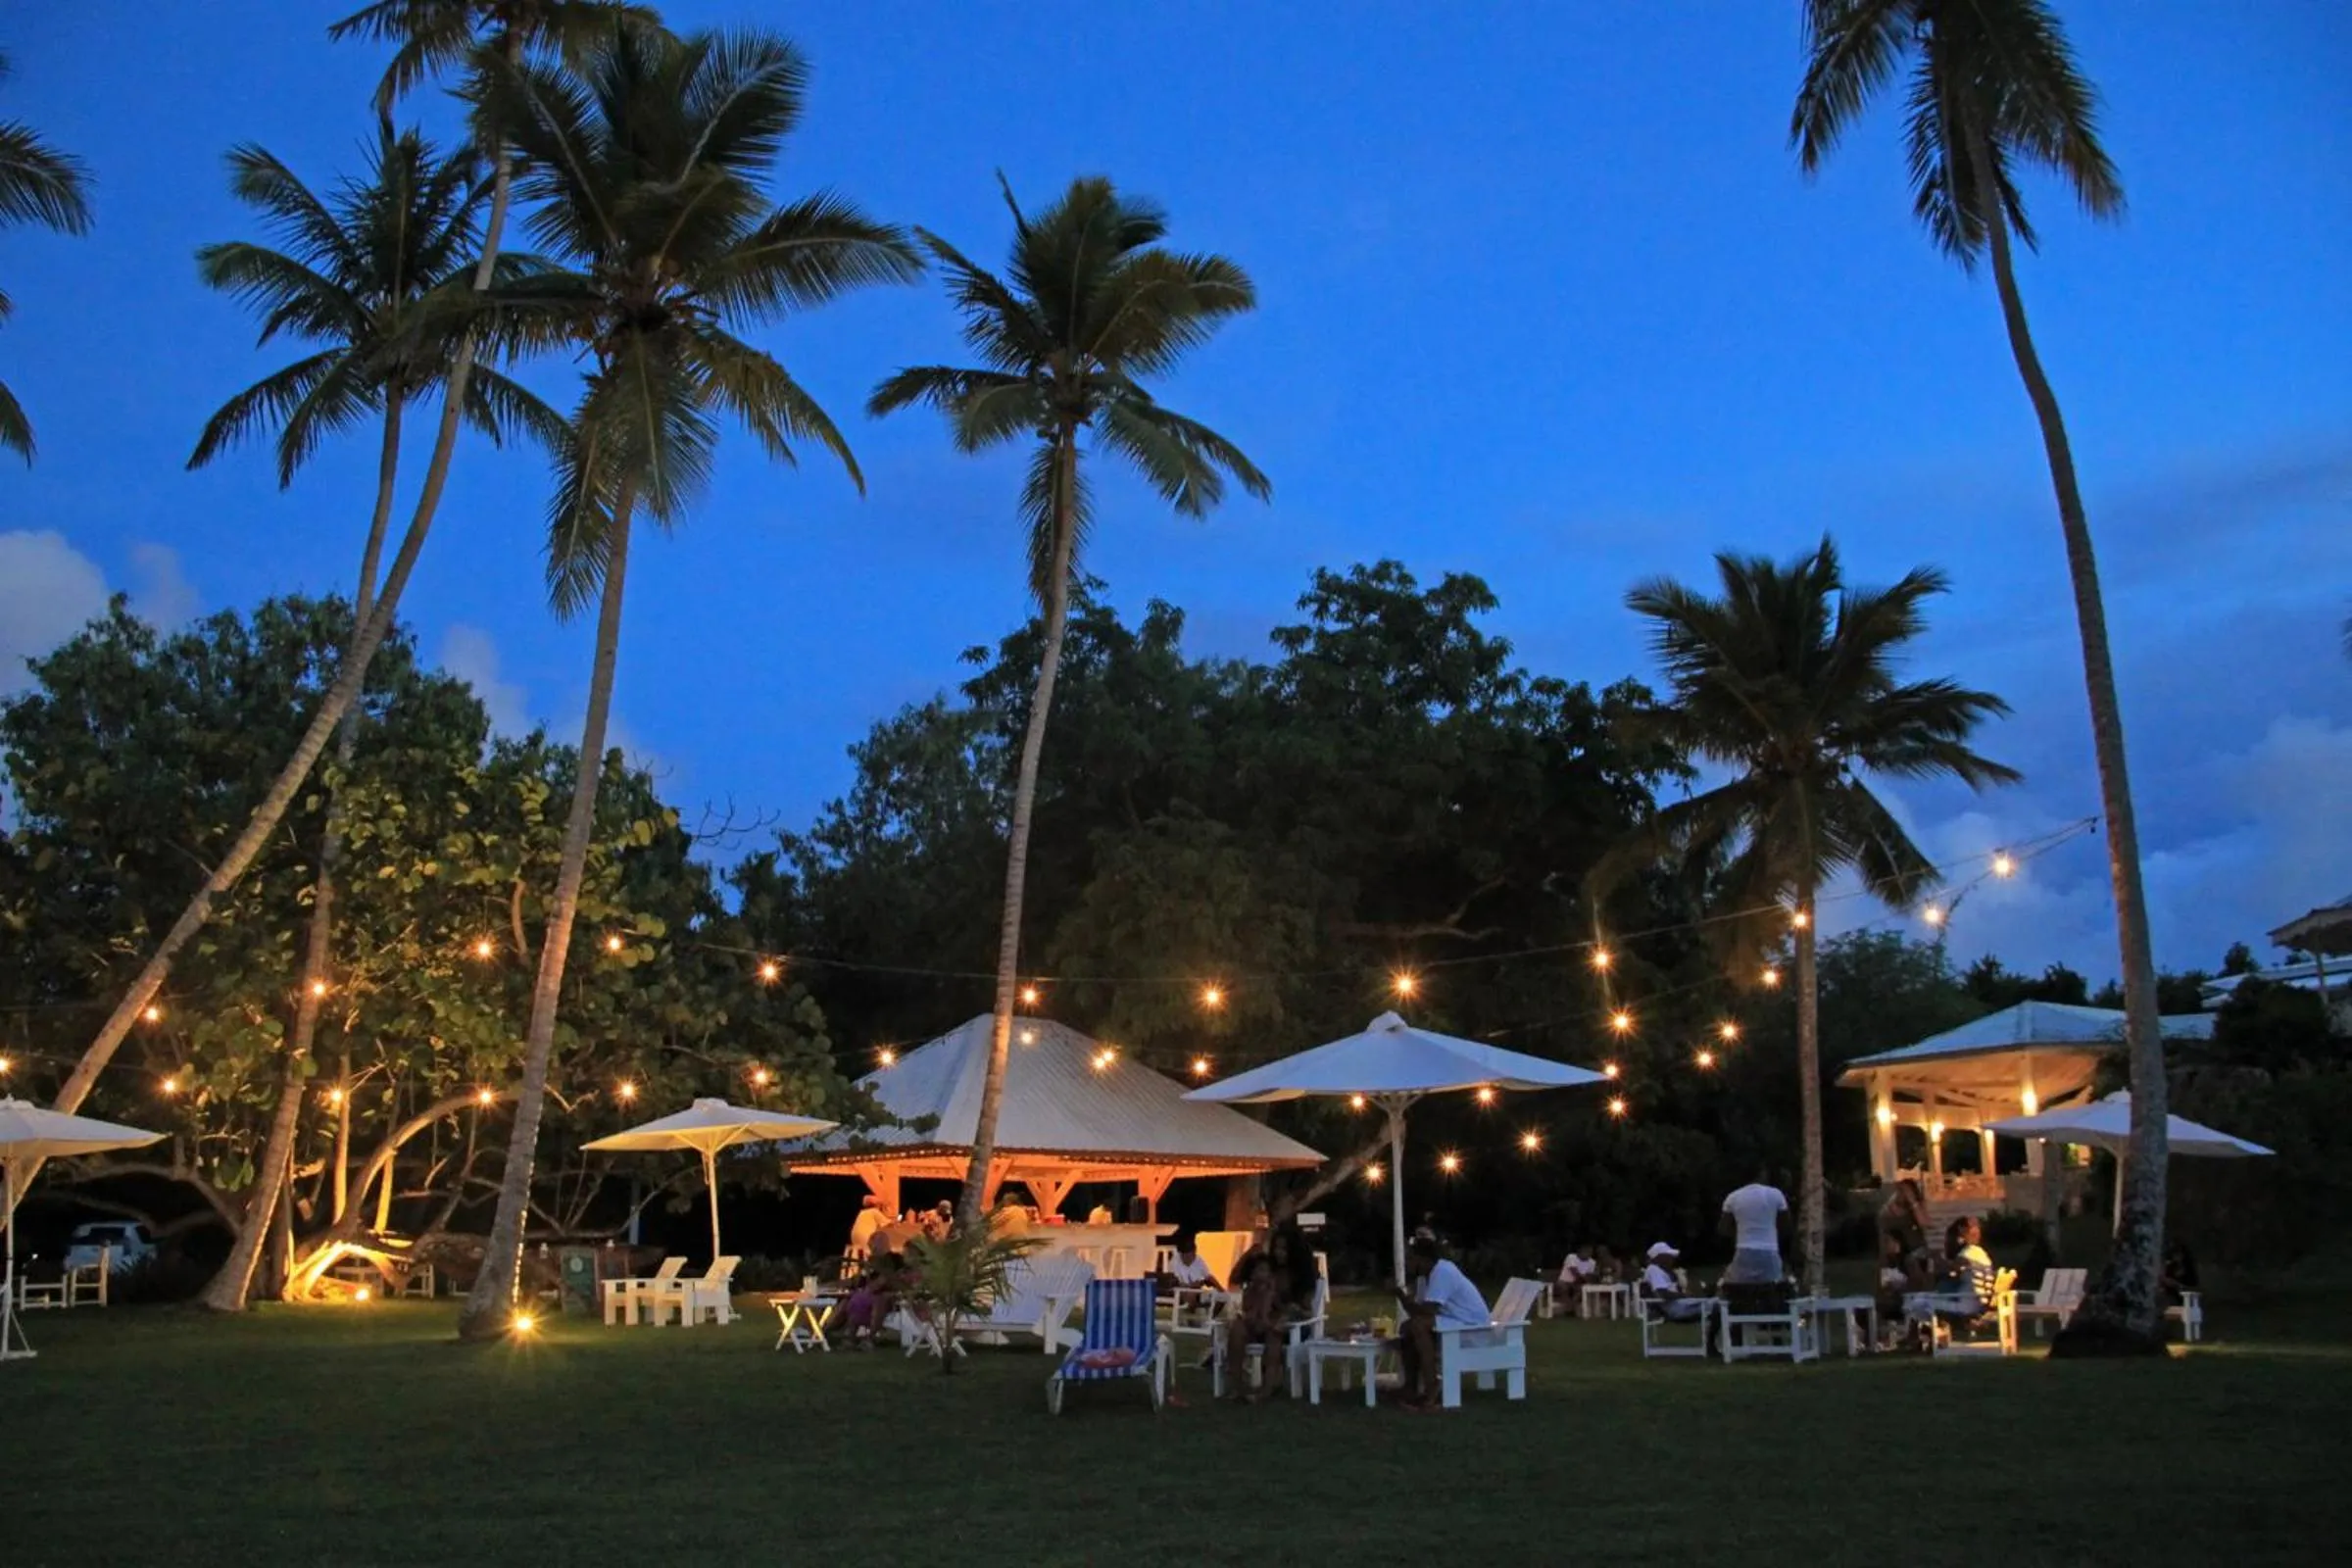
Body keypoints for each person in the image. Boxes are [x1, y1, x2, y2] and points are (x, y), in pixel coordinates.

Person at [1394, 1235, 1490, 1409]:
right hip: (1453, 1323)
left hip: (1472, 1328)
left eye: (1410, 1259)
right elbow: (1419, 1312)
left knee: (1417, 1326)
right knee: (1409, 1328)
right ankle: (1411, 1387)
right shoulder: (1425, 1277)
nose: (1407, 1264)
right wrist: (1405, 1300)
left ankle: (1432, 1387)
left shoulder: (1443, 1271)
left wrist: (1403, 1298)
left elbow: (1428, 1311)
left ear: (1423, 1259)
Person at [1719, 1166, 1790, 1284]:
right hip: (1770, 1250)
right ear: (1761, 1174)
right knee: (1772, 1286)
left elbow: (1723, 1229)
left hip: (1744, 1249)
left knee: (1738, 1287)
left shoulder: (1733, 1197)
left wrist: (1740, 1233)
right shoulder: (1775, 1194)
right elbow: (1786, 1226)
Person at [1641, 1243, 1703, 1322]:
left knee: (1717, 1305)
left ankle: (1710, 1334)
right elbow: (1662, 1293)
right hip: (1673, 1308)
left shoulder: (1663, 1271)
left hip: (1678, 1304)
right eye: (1669, 1256)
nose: (1672, 1258)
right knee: (1717, 1306)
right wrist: (1684, 1295)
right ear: (1659, 1257)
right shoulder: (1653, 1269)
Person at [846, 1193, 888, 1260]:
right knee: (871, 1253)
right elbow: (888, 1224)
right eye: (880, 1205)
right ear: (877, 1205)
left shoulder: (862, 1212)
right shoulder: (874, 1211)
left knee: (860, 1254)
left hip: (854, 1237)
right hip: (865, 1236)